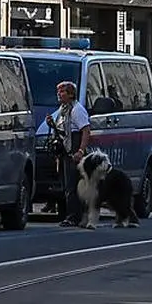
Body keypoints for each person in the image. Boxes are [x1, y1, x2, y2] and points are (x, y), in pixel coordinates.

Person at [46, 81, 91, 228]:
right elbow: (62, 130)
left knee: (73, 185)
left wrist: (80, 151)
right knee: (67, 185)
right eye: (58, 91)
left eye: (63, 91)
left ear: (71, 94)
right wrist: (52, 124)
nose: (59, 94)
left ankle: (74, 216)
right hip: (65, 151)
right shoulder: (63, 109)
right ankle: (70, 215)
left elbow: (85, 130)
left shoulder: (77, 110)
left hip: (74, 151)